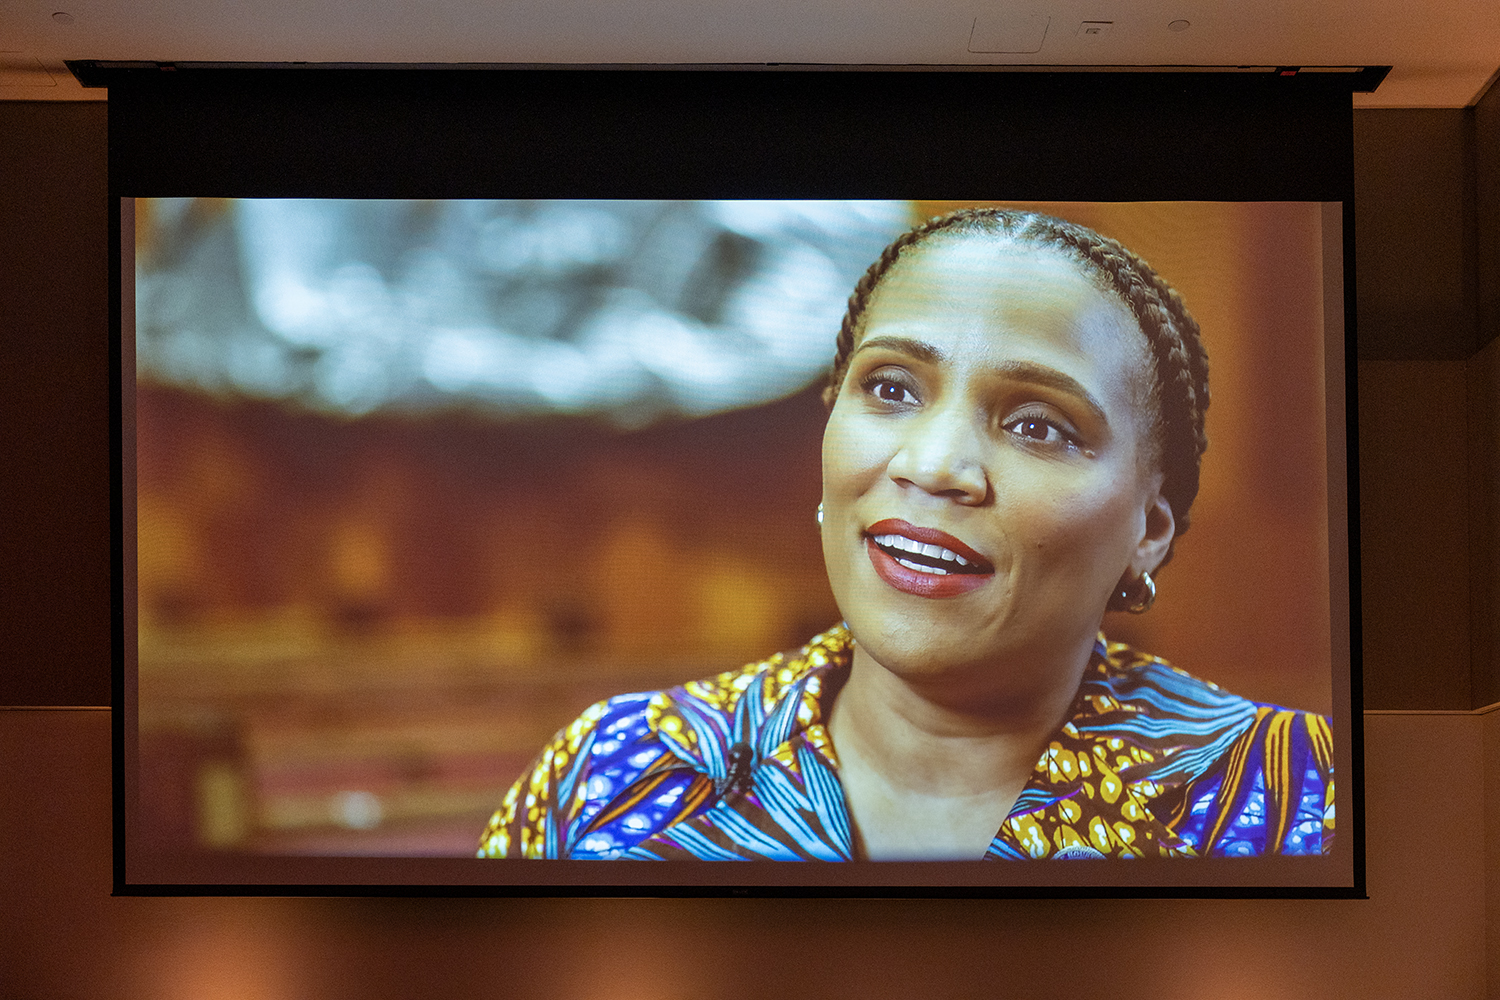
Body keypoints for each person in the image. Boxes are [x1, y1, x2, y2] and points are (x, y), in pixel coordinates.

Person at [477, 207, 1333, 862]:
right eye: (890, 389)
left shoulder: (1291, 791)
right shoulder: (619, 771)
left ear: (1149, 532)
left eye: (1038, 426)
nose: (932, 466)